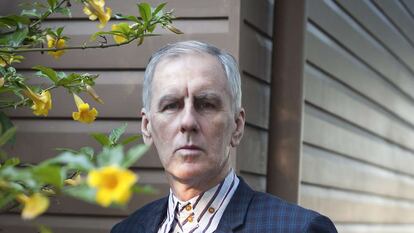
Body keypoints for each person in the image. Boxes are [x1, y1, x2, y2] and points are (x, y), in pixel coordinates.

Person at [111, 40, 338, 233]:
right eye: (171, 105)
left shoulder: (299, 229)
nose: (188, 122)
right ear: (147, 126)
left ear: (237, 126)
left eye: (206, 104)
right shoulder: (127, 230)